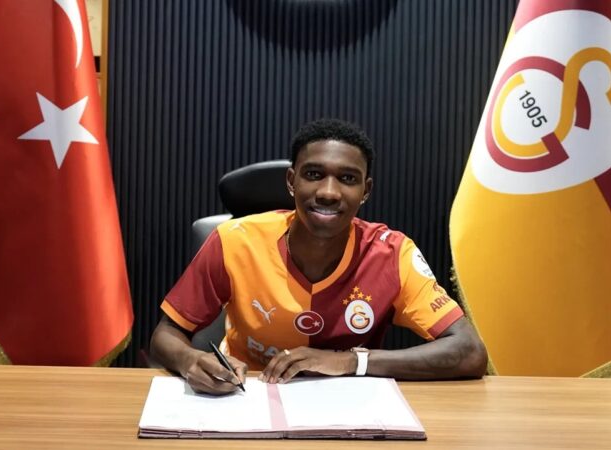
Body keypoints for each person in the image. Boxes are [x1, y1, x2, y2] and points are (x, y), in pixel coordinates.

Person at [149, 118, 487, 394]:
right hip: (246, 395)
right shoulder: (235, 240)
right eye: (313, 174)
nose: (328, 192)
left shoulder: (392, 253)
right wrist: (190, 361)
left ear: (366, 191)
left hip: (348, 407)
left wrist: (352, 362)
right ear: (291, 181)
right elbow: (166, 334)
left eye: (347, 179)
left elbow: (470, 352)